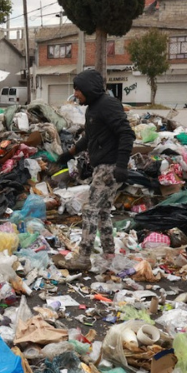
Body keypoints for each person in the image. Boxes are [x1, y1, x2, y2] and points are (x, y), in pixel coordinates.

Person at [56, 69, 135, 271]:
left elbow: (126, 133)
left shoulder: (108, 105)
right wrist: (69, 153)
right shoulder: (93, 108)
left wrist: (121, 164)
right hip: (103, 166)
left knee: (90, 209)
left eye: (78, 89)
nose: (76, 94)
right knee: (102, 212)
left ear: (89, 89)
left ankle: (83, 258)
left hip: (110, 166)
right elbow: (89, 137)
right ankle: (109, 254)